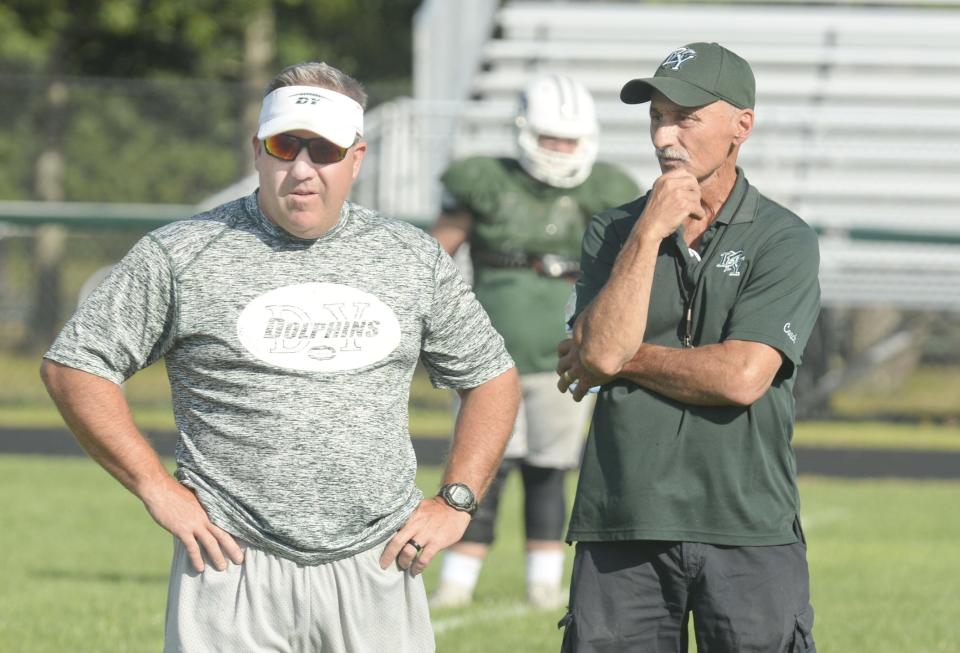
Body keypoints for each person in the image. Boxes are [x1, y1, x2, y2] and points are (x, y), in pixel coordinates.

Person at [40, 61, 520, 653]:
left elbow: (491, 378)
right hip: (229, 561)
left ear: (357, 159)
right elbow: (74, 365)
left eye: (322, 150)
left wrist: (457, 502)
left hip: (380, 560)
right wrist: (154, 486)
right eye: (284, 145)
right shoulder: (182, 254)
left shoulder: (409, 258)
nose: (302, 169)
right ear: (258, 151)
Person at [555, 43, 820, 652]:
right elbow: (595, 357)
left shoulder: (785, 239)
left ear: (741, 127)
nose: (663, 136)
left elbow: (741, 377)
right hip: (622, 518)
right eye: (656, 116)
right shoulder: (613, 230)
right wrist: (649, 230)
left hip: (748, 524)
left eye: (686, 117)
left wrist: (628, 357)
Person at [430, 74, 640, 609]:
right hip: (487, 357)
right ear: (525, 132)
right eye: (552, 139)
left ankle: (543, 580)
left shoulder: (606, 190)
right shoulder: (485, 181)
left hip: (563, 358)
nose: (561, 151)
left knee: (549, 470)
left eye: (569, 141)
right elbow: (433, 257)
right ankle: (459, 579)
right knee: (484, 468)